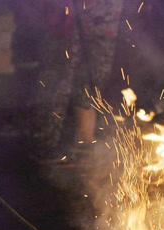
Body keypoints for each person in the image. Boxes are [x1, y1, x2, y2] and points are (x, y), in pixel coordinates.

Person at [13, 0, 123, 164]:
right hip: (64, 13)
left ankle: (84, 142)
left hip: (103, 13)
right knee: (58, 77)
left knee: (93, 76)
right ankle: (45, 145)